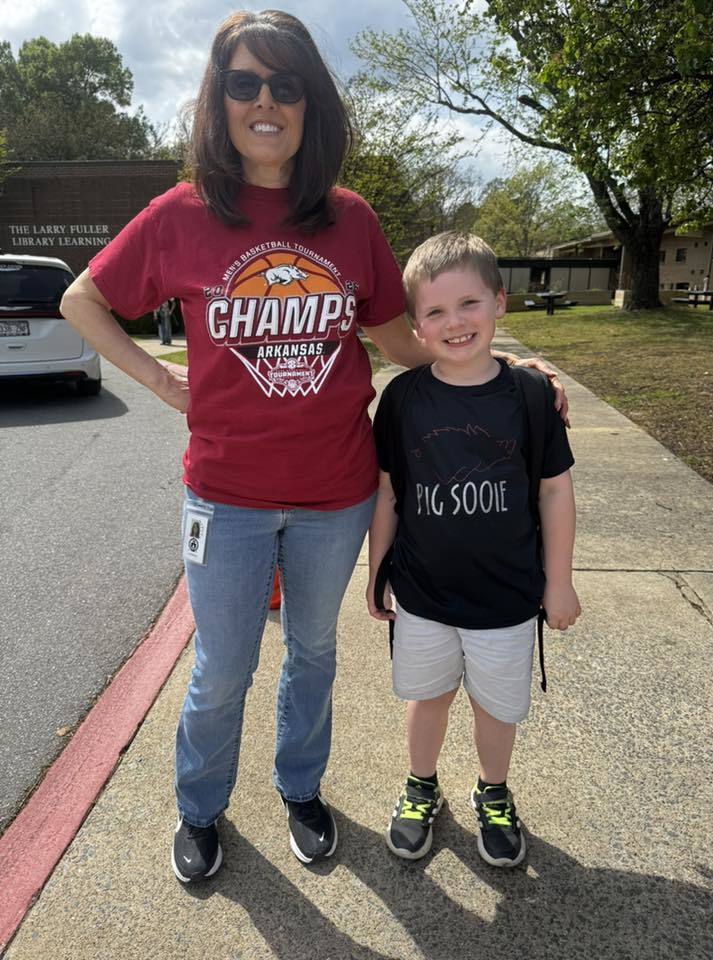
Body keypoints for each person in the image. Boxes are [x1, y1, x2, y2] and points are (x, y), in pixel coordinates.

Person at [60, 10, 567, 884]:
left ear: (310, 104)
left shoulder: (349, 220)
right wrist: (161, 383)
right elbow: (82, 300)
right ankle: (200, 808)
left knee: (315, 653)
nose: (266, 101)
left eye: (285, 84)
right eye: (245, 83)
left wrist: (502, 367)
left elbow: (399, 342)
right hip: (225, 493)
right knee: (221, 666)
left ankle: (301, 789)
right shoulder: (181, 215)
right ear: (218, 100)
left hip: (336, 491)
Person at [367, 232, 580, 867]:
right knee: (427, 697)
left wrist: (559, 581)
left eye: (469, 304)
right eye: (435, 311)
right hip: (425, 593)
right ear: (415, 325)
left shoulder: (530, 396)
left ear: (500, 303)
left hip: (508, 596)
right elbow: (387, 495)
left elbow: (554, 492)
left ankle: (493, 792)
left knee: (495, 706)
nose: (454, 322)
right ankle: (420, 786)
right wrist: (377, 573)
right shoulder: (402, 400)